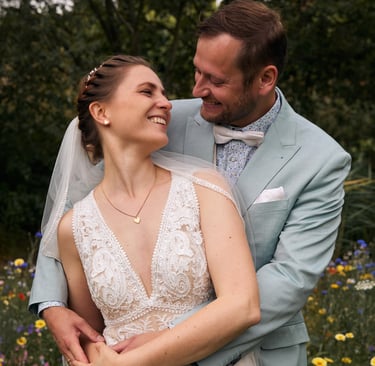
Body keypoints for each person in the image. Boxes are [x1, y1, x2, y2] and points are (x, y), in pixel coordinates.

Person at [29, 1, 351, 366]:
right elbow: (72, 210)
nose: (197, 90)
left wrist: (168, 340)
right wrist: (52, 304)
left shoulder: (322, 159)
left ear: (265, 79)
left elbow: (289, 279)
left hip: (258, 352)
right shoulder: (162, 120)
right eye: (197, 72)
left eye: (216, 80)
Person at [44, 54, 260, 366]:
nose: (166, 103)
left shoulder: (205, 189)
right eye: (147, 92)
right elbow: (89, 335)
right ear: (101, 112)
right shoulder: (73, 228)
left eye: (163, 92)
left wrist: (130, 363)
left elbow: (244, 305)